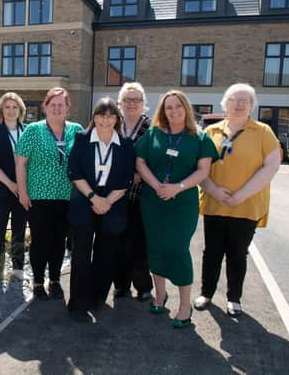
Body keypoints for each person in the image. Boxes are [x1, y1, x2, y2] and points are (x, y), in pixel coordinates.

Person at [196, 83, 281, 317]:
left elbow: (271, 166)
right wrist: (212, 190)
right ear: (225, 104)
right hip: (215, 204)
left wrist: (241, 194)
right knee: (211, 252)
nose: (240, 104)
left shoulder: (263, 132)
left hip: (246, 206)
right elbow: (200, 168)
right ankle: (206, 293)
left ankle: (234, 298)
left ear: (252, 106)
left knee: (237, 253)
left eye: (246, 101)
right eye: (235, 99)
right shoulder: (211, 132)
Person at [135, 90, 217, 328]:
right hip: (153, 200)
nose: (173, 111)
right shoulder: (153, 134)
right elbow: (140, 161)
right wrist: (156, 184)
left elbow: (203, 171)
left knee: (178, 249)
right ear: (163, 111)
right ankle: (160, 296)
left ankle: (184, 305)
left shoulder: (200, 138)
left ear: (186, 109)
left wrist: (177, 187)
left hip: (182, 203)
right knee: (156, 248)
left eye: (178, 106)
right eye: (168, 107)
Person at [66, 97, 134, 322]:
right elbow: (74, 172)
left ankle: (96, 298)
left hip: (113, 203)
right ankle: (77, 303)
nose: (105, 120)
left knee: (106, 255)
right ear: (94, 117)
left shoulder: (125, 145)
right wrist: (95, 198)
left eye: (110, 116)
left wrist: (107, 202)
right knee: (82, 255)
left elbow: (127, 179)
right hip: (85, 199)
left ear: (117, 119)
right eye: (101, 115)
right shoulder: (82, 139)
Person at [15, 87, 83, 300]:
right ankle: (37, 282)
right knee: (40, 241)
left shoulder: (77, 130)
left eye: (60, 105)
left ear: (67, 108)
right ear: (45, 107)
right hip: (38, 197)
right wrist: (23, 193)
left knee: (59, 241)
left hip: (67, 197)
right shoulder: (33, 130)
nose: (56, 108)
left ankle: (54, 280)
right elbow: (20, 164)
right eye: (52, 104)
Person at [112, 83, 154, 302]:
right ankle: (121, 286)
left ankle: (144, 286)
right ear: (120, 103)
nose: (131, 104)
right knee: (118, 242)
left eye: (136, 100)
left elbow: (155, 161)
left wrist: (136, 175)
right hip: (115, 197)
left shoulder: (152, 128)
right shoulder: (112, 126)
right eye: (127, 100)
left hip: (141, 195)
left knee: (138, 242)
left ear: (143, 104)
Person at [0, 92, 28, 279]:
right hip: (1, 190)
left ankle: (18, 269)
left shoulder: (28, 131)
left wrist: (22, 187)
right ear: (1, 110)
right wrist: (11, 184)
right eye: (7, 107)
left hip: (23, 192)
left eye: (14, 107)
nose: (11, 111)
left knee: (19, 231)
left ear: (20, 110)